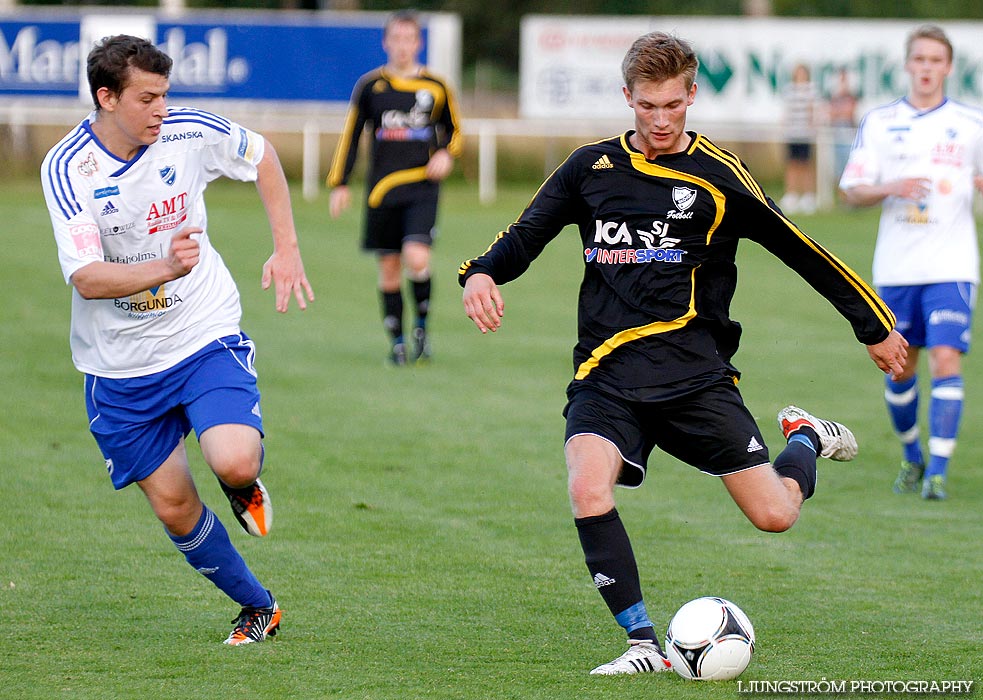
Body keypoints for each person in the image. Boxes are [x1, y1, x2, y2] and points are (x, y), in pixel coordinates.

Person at [460, 31, 907, 675]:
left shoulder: (719, 176)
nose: (662, 119)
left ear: (691, 95)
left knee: (775, 515)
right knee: (588, 489)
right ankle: (644, 646)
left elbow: (800, 247)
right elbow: (526, 233)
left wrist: (874, 326)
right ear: (628, 98)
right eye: (648, 106)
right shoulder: (590, 168)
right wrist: (481, 273)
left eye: (673, 104)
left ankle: (805, 438)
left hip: (695, 379)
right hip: (606, 375)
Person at [41, 35, 315, 644]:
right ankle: (258, 607)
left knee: (234, 457)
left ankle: (242, 485)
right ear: (106, 97)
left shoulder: (188, 131)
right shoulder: (68, 168)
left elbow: (263, 155)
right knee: (174, 508)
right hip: (117, 364)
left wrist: (287, 246)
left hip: (200, 331)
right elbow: (87, 280)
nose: (161, 108)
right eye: (147, 97)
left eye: (165, 93)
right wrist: (164, 267)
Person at [839, 24, 983, 501]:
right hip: (897, 269)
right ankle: (912, 456)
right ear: (907, 65)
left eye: (935, 61)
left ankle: (938, 472)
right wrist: (890, 187)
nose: (926, 68)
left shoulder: (970, 124)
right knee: (901, 370)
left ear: (948, 67)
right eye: (918, 59)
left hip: (952, 267)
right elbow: (851, 191)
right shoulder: (881, 122)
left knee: (946, 359)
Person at [327, 9, 463, 366]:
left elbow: (455, 131)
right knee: (389, 268)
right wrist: (340, 182)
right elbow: (351, 136)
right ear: (386, 42)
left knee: (417, 259)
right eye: (396, 39)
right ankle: (397, 342)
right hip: (381, 190)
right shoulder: (371, 86)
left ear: (419, 43)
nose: (403, 46)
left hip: (422, 187)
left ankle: (421, 328)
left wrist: (447, 155)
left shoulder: (436, 87)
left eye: (410, 39)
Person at [780, 63, 819, 215]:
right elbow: (786, 111)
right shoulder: (789, 90)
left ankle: (808, 195)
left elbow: (813, 111)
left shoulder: (811, 90)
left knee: (805, 164)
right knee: (792, 164)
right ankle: (792, 194)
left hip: (805, 134)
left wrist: (812, 127)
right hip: (792, 133)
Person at [828, 66, 859, 186]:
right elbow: (831, 113)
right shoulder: (834, 96)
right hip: (837, 134)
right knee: (838, 166)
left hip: (848, 135)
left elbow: (849, 113)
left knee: (849, 165)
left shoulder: (852, 96)